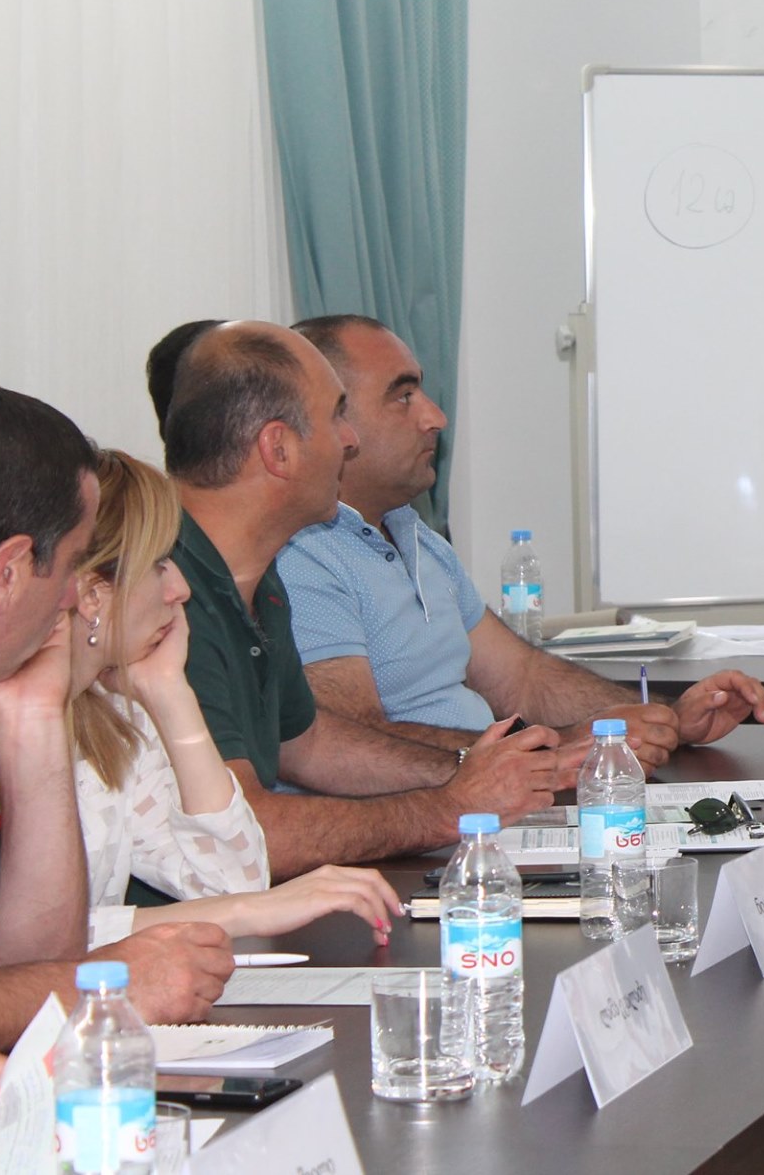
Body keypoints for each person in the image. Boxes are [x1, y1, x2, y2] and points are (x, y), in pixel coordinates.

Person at [277, 315, 764, 767]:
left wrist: (669, 718)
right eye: (403, 396)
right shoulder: (303, 554)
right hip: (431, 818)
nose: (435, 417)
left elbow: (522, 678)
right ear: (334, 418)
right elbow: (352, 748)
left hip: (491, 794)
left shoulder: (417, 538)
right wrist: (555, 749)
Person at [161, 323, 564, 879]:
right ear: (278, 449)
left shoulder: (257, 578)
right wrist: (448, 808)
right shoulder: (167, 592)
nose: (349, 440)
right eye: (335, 417)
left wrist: (479, 771)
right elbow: (245, 831)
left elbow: (308, 745)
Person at [58, 449, 400, 946]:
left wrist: (170, 692)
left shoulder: (112, 717)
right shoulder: (4, 725)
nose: (179, 589)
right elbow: (14, 943)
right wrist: (239, 913)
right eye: (159, 565)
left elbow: (234, 880)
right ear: (92, 594)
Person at [0, 386, 233, 1047]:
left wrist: (32, 717)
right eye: (72, 565)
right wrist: (101, 982)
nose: (75, 595)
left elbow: (18, 977)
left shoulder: (16, 697)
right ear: (7, 572)